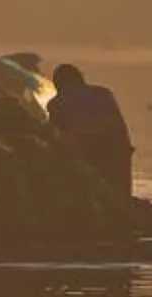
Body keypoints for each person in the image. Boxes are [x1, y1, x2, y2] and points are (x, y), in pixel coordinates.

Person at [47, 62, 137, 197]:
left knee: (95, 193)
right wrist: (126, 149)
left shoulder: (56, 104)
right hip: (114, 147)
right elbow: (119, 126)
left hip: (88, 150)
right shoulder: (103, 94)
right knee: (120, 193)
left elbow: (56, 137)